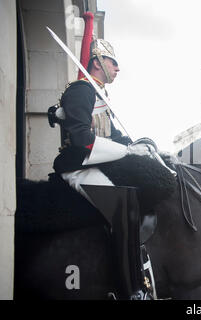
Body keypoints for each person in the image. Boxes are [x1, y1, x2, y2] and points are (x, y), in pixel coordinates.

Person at [50, 38, 155, 300]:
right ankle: (128, 288)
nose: (118, 68)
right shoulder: (81, 90)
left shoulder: (97, 93)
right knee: (123, 204)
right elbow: (82, 139)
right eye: (113, 62)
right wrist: (127, 151)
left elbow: (115, 135)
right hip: (77, 166)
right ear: (97, 62)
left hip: (96, 162)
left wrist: (139, 145)